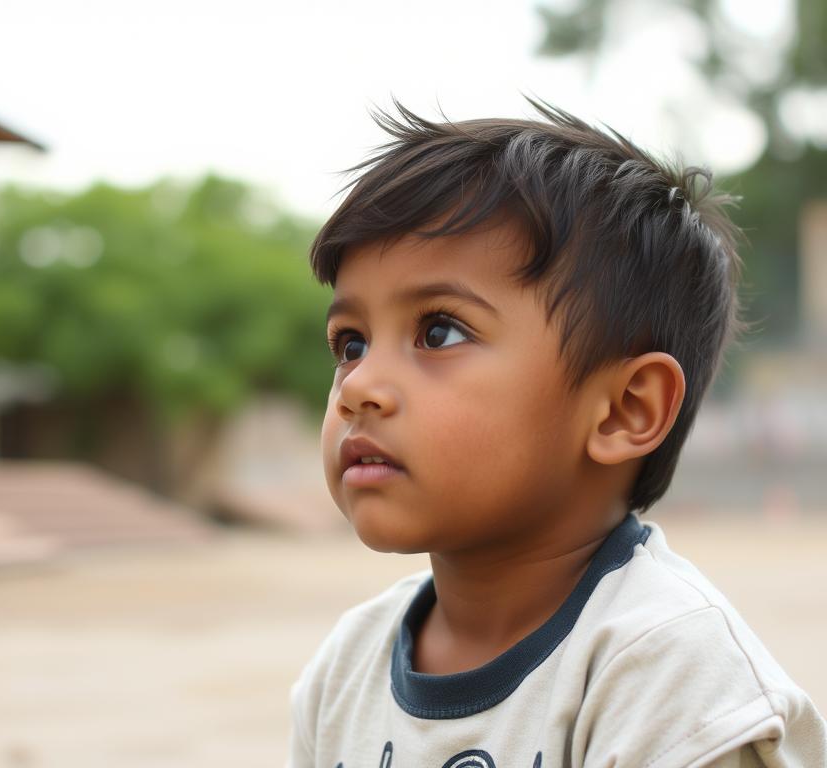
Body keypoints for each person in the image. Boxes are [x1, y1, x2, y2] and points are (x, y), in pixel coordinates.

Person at [287, 99, 827, 768]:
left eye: (438, 332)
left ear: (623, 410)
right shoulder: (346, 667)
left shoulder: (668, 678)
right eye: (351, 343)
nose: (360, 385)